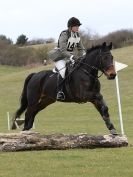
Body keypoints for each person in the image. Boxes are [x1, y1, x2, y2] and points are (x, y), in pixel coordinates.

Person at [48, 17, 85, 100]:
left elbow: (81, 49)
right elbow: (63, 50)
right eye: (76, 26)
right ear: (70, 27)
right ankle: (59, 92)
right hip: (60, 57)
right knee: (63, 71)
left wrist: (84, 55)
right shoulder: (64, 34)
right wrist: (72, 57)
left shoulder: (77, 35)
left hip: (69, 57)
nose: (78, 27)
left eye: (78, 26)